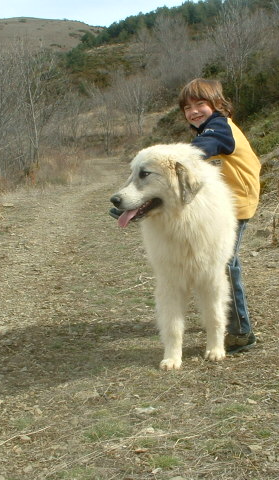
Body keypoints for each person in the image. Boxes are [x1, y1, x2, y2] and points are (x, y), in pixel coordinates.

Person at [110, 78, 261, 354]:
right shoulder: (207, 129)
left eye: (200, 104)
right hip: (219, 205)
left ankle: (241, 332)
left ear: (217, 105)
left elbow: (203, 149)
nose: (193, 111)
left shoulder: (220, 127)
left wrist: (176, 156)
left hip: (236, 206)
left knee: (224, 267)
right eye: (187, 107)